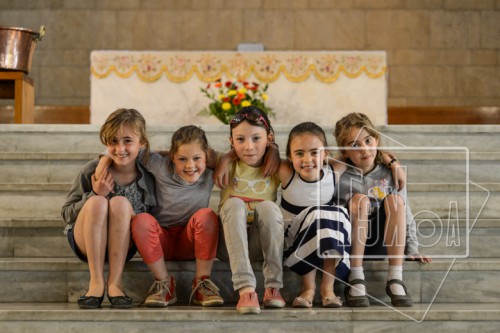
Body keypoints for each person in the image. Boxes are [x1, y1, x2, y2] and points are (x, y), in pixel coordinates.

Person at [97, 125, 225, 307]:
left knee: (207, 215)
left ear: (207, 156)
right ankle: (164, 283)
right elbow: (126, 150)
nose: (190, 166)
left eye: (197, 158)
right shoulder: (160, 165)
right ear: (172, 157)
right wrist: (103, 162)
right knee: (141, 219)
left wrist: (224, 161)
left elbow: (234, 155)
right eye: (182, 159)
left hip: (191, 242)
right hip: (160, 239)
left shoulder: (211, 172)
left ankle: (202, 283)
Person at [61, 108, 156, 309]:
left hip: (124, 245)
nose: (120, 148)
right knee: (97, 202)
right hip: (85, 242)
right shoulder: (92, 170)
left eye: (128, 141)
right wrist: (95, 193)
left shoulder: (148, 174)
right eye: (113, 141)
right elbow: (66, 213)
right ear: (106, 144)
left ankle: (115, 283)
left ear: (142, 143)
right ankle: (96, 282)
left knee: (120, 203)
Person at [334, 112, 431, 308]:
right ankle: (356, 278)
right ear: (344, 152)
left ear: (376, 140)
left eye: (368, 141)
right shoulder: (339, 174)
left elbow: (406, 210)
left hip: (383, 241)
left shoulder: (389, 172)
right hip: (351, 242)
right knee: (360, 200)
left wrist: (412, 248)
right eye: (354, 145)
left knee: (395, 200)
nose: (364, 149)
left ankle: (395, 278)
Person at [215, 106, 285, 314]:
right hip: (226, 244)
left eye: (256, 138)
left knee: (269, 207)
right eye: (240, 140)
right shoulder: (226, 162)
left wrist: (275, 150)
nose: (249, 147)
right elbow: (181, 153)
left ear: (269, 137)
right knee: (234, 203)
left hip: (258, 243)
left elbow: (309, 164)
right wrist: (225, 158)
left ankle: (273, 287)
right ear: (231, 141)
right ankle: (246, 289)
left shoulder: (276, 167)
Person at [278, 122, 351, 308]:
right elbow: (262, 154)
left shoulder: (333, 173)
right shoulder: (287, 174)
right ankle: (308, 288)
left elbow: (356, 154)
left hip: (326, 241)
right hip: (292, 243)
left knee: (337, 213)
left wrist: (389, 159)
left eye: (314, 152)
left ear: (325, 154)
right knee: (319, 215)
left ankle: (328, 288)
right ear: (289, 157)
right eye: (299, 153)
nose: (307, 159)